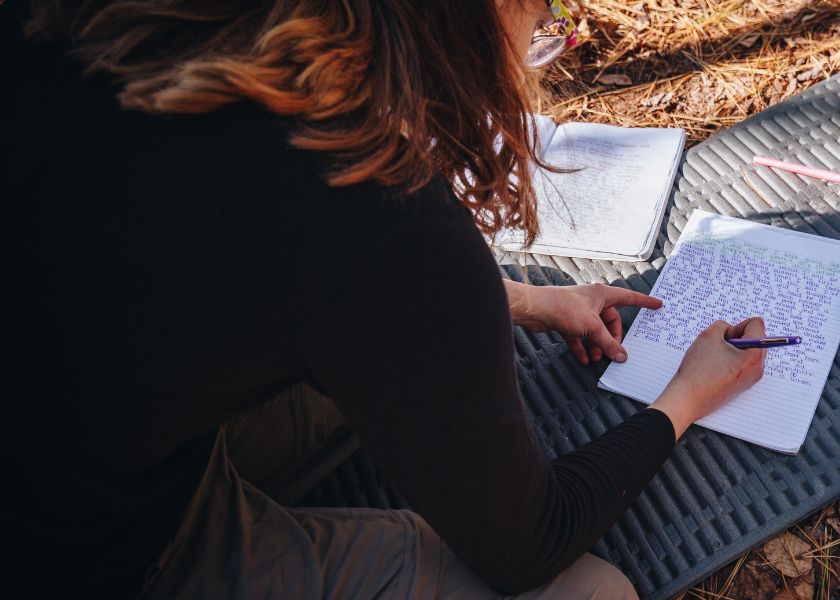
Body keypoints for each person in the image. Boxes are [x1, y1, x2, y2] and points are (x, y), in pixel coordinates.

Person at [4, 0, 766, 598]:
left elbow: (271, 271)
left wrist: (522, 299)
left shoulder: (128, 24)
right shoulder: (370, 204)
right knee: (592, 592)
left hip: (66, 421)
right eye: (543, 21)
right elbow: (527, 543)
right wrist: (685, 396)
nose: (545, 51)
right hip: (83, 555)